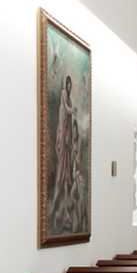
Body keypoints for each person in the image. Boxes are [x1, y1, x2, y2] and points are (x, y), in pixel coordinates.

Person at [51, 74, 75, 230]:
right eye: (67, 84)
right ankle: (56, 205)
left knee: (67, 175)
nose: (69, 87)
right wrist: (73, 109)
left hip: (66, 140)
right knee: (62, 173)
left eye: (70, 85)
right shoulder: (64, 101)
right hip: (63, 137)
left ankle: (66, 210)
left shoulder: (67, 101)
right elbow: (67, 110)